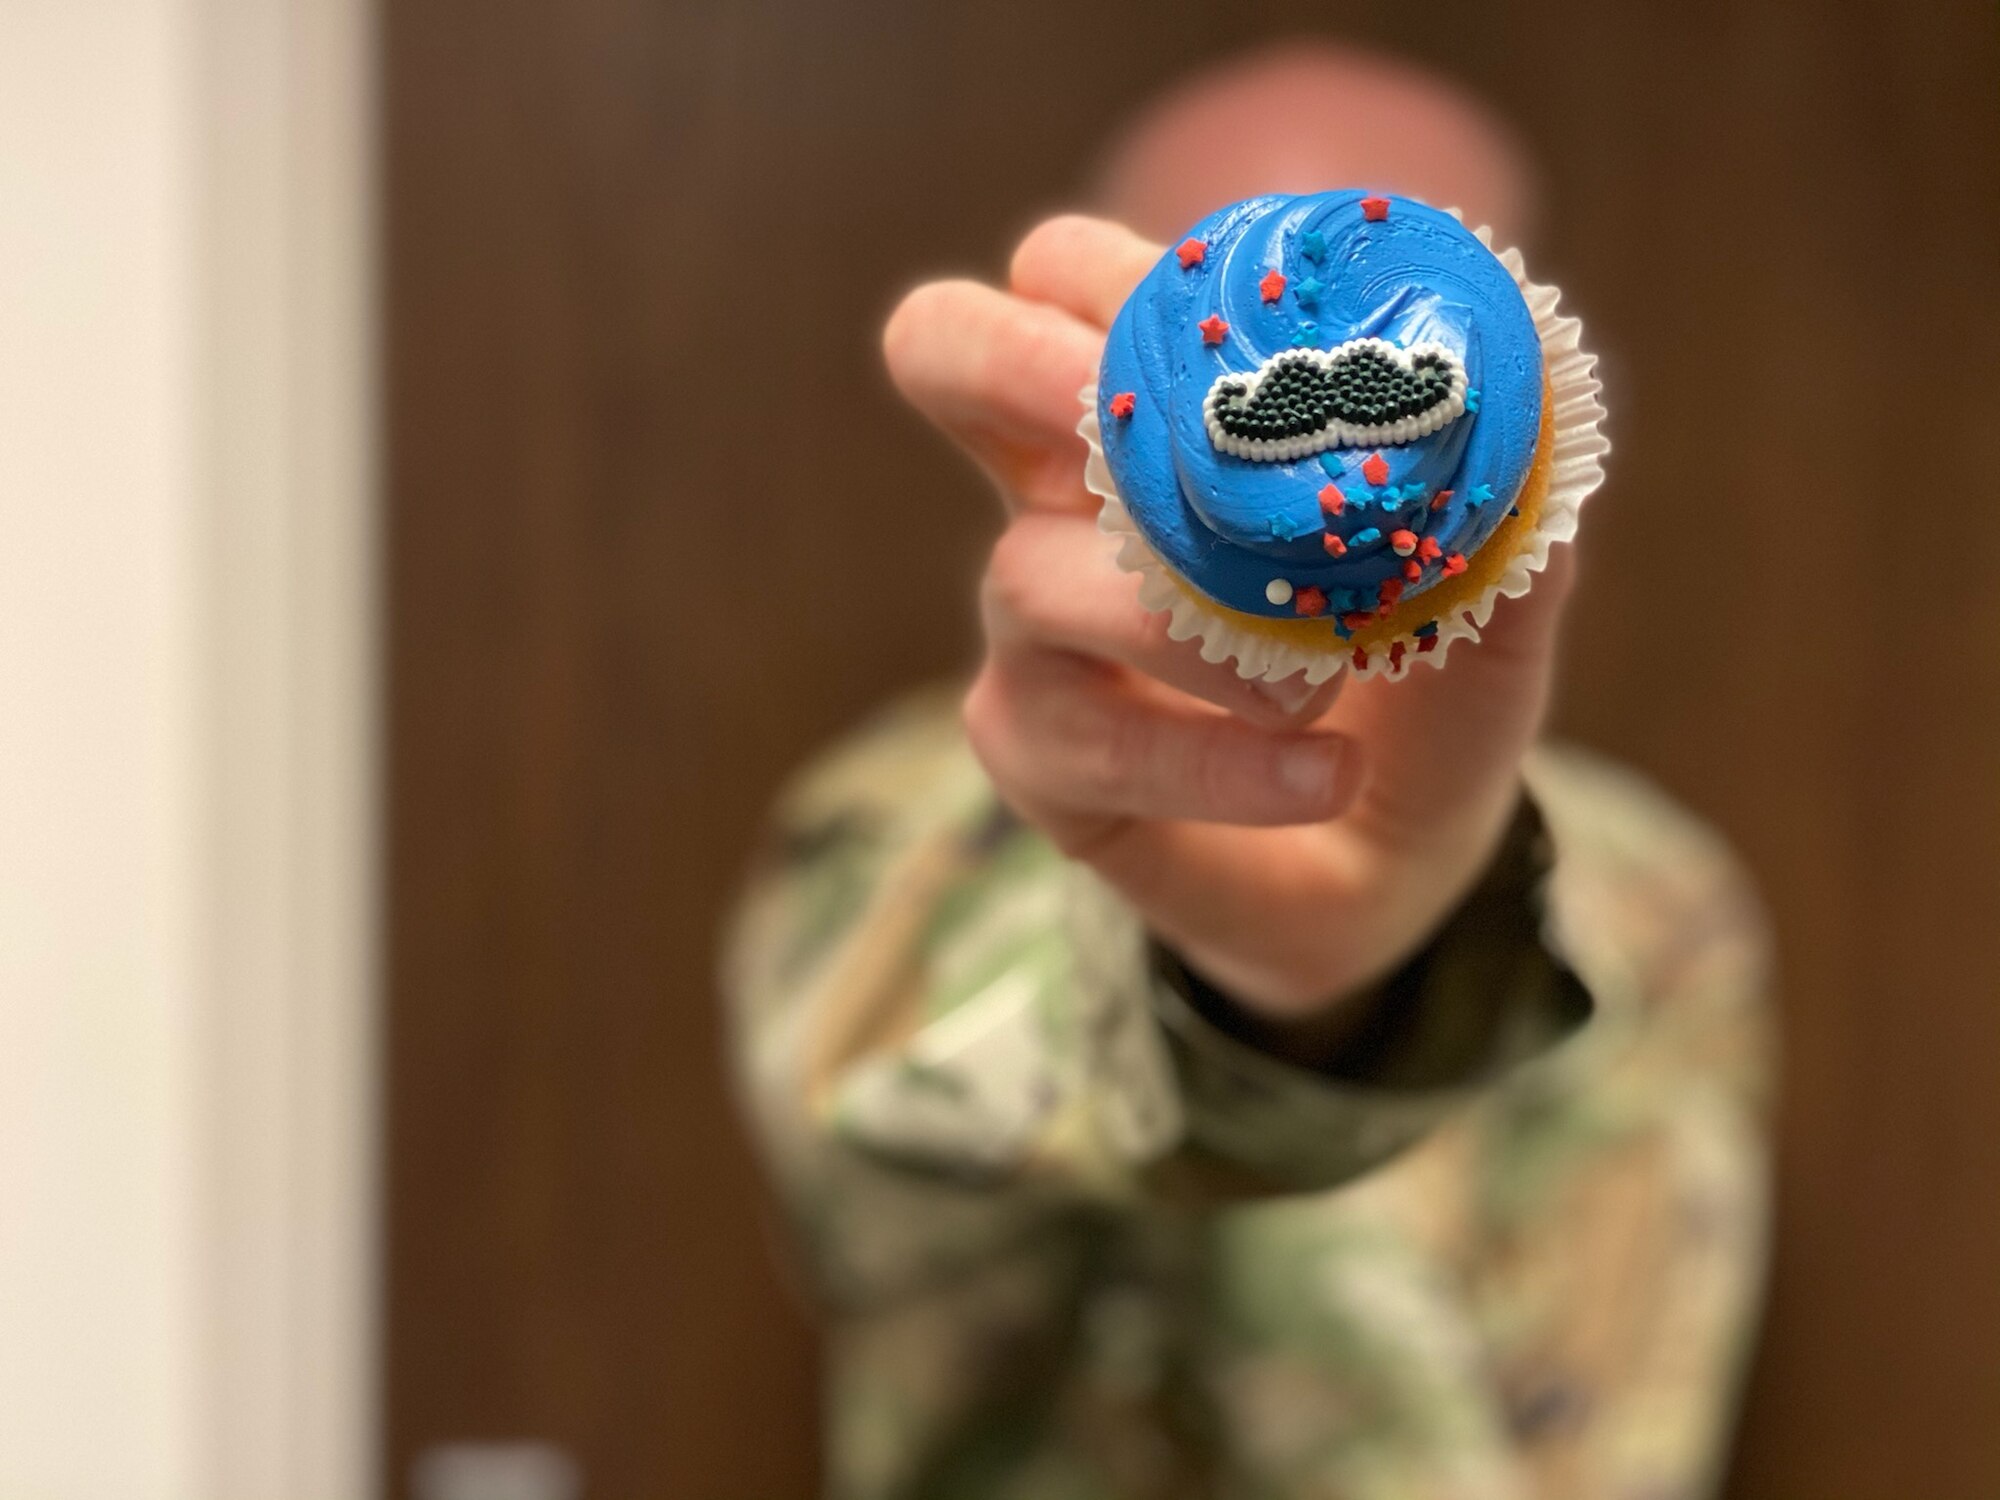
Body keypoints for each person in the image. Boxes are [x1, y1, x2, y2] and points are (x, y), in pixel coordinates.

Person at [726, 44, 1772, 1500]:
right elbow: (892, 1140)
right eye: (1206, 291)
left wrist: (1378, 938)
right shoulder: (902, 827)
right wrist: (1270, 990)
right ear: (1092, 390)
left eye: (1402, 282)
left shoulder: (1663, 890)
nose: (1291, 342)